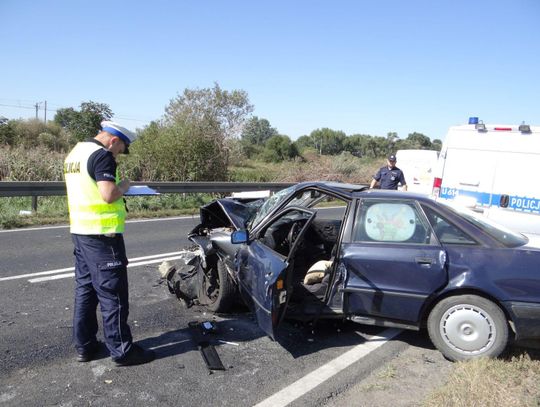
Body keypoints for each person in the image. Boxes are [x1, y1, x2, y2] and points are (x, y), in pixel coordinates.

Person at [64, 121, 155, 366]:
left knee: (85, 291)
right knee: (113, 296)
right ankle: (122, 351)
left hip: (81, 232)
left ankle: (85, 347)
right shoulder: (102, 156)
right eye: (121, 148)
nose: (119, 154)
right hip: (103, 237)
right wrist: (124, 185)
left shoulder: (76, 152)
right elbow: (108, 195)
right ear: (114, 140)